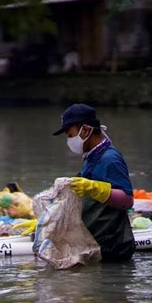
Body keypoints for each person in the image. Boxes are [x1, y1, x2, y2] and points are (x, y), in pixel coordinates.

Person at [52, 103, 135, 262]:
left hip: (112, 246)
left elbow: (127, 200)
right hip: (96, 243)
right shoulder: (91, 157)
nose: (69, 141)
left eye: (70, 135)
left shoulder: (110, 159)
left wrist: (94, 188)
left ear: (85, 130)